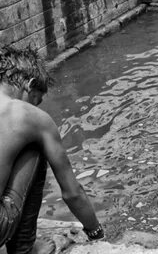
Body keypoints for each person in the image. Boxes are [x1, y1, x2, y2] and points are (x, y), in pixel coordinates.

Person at [0, 46, 104, 254]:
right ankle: (24, 248)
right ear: (28, 85)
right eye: (36, 101)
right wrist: (96, 232)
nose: (35, 107)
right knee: (37, 146)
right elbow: (72, 192)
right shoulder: (28, 115)